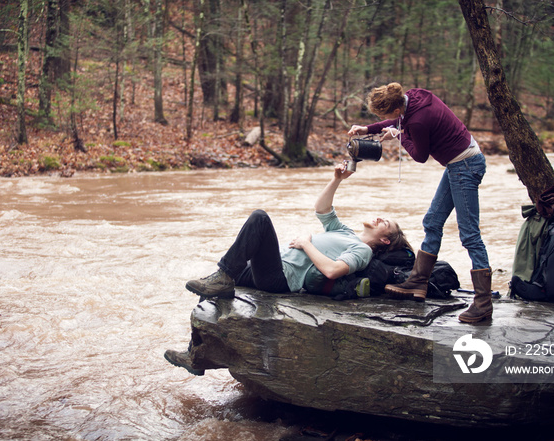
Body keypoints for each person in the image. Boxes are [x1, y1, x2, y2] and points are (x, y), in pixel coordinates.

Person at [165, 163, 408, 375]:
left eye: (384, 223)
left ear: (385, 240)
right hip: (273, 267)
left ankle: (224, 278)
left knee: (259, 218)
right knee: (212, 283)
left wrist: (306, 244)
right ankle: (195, 357)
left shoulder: (362, 251)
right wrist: (336, 179)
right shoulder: (346, 233)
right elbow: (322, 209)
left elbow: (333, 271)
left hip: (280, 277)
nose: (378, 218)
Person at [348, 82, 492, 323]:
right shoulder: (413, 97)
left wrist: (399, 136)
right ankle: (417, 281)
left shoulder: (417, 121)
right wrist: (367, 129)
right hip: (458, 163)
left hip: (465, 166)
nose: (384, 119)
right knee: (432, 221)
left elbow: (420, 156)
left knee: (469, 235)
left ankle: (483, 302)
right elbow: (400, 121)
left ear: (395, 111)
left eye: (384, 116)